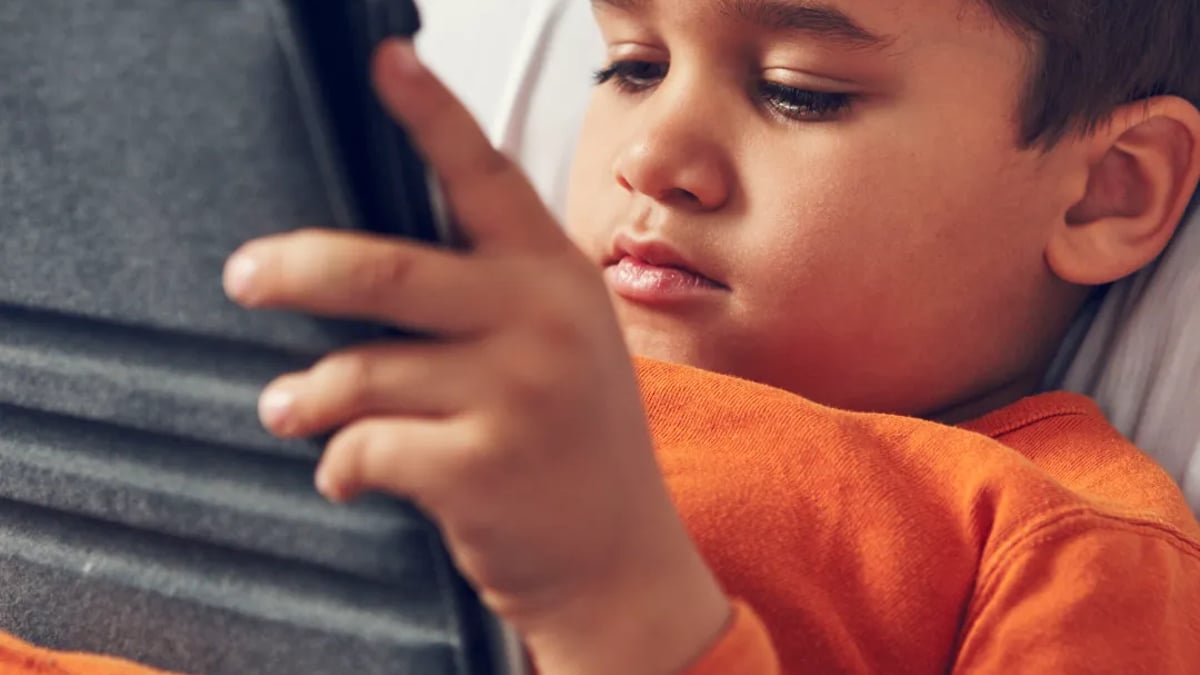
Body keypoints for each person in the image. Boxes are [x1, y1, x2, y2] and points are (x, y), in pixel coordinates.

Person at [4, 0, 1200, 672]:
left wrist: (617, 604)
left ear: (1109, 190)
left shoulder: (1053, 537)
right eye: (630, 66)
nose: (649, 157)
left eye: (799, 90)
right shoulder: (432, 353)